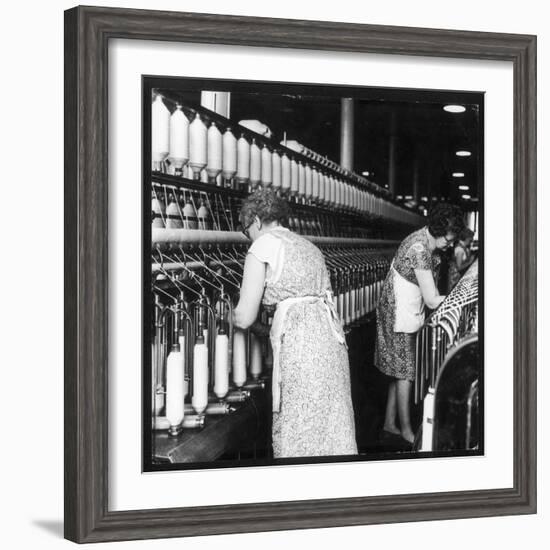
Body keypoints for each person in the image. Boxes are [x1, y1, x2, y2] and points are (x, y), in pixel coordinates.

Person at [232, 187, 357, 458]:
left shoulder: (262, 246)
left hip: (301, 350)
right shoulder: (308, 245)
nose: (248, 238)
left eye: (246, 231)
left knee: (300, 426)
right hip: (331, 344)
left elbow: (244, 317)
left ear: (255, 221)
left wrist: (226, 315)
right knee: (331, 427)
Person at [375, 203, 465, 445]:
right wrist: (459, 299)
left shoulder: (427, 242)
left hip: (407, 307)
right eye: (450, 237)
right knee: (405, 373)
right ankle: (405, 430)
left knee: (400, 369)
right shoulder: (419, 249)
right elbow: (433, 298)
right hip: (400, 311)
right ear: (439, 229)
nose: (451, 243)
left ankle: (389, 424)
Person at [447, 227, 475, 292]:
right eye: (471, 238)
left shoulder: (463, 247)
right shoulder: (460, 250)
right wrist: (470, 261)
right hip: (455, 279)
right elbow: (459, 268)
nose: (472, 240)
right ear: (466, 238)